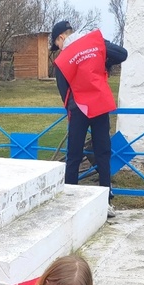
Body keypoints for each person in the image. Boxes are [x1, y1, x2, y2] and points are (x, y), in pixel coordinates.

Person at [50, 21, 128, 219]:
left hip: (78, 110)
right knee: (103, 153)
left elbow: (63, 90)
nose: (58, 49)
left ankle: (69, 202)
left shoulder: (64, 58)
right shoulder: (94, 43)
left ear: (61, 38)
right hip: (100, 106)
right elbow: (122, 54)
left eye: (56, 44)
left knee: (73, 156)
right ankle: (105, 201)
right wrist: (102, 50)